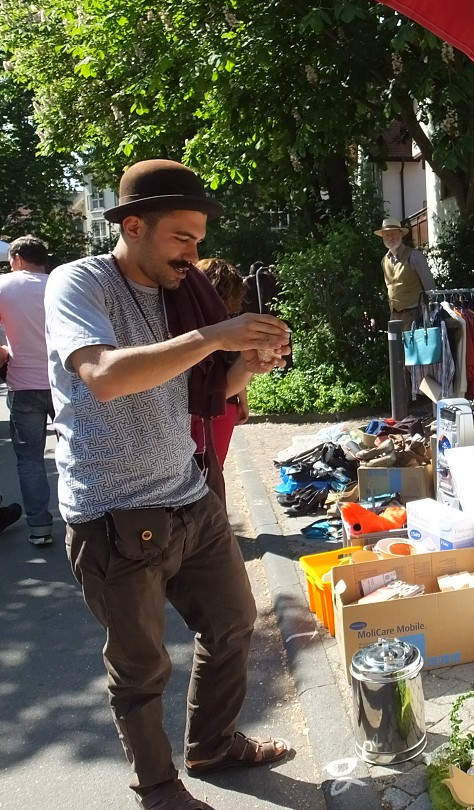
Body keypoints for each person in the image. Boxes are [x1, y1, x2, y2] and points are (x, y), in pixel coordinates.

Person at [45, 159, 293, 810]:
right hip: (114, 514)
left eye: (199, 237)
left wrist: (247, 364)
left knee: (236, 621)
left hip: (186, 494)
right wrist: (213, 336)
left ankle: (211, 743)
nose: (195, 252)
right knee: (141, 669)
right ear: (133, 226)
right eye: (182, 237)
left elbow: (201, 390)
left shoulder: (181, 295)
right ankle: (158, 790)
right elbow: (103, 375)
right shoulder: (79, 284)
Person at [0, 235, 54, 542]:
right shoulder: (61, 283)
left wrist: (5, 354)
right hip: (65, 383)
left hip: (23, 387)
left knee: (30, 459)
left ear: (18, 258)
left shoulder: (3, 286)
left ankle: (39, 528)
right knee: (78, 451)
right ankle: (86, 524)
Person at [193, 258, 249, 468]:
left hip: (188, 404)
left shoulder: (184, 318)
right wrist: (242, 400)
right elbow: (238, 361)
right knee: (212, 471)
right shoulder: (232, 324)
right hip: (222, 406)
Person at [377, 217, 433, 330]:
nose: (390, 238)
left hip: (414, 313)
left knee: (413, 347)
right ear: (383, 237)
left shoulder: (414, 256)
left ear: (401, 234)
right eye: (387, 235)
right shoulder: (384, 261)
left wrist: (430, 312)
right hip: (394, 315)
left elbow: (430, 288)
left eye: (393, 234)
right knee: (395, 347)